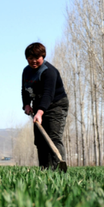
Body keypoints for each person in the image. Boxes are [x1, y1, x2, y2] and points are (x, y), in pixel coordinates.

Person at [21, 42, 69, 171]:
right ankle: (45, 170)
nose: (34, 61)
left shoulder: (49, 72)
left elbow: (48, 94)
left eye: (37, 58)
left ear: (43, 56)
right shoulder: (26, 71)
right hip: (38, 106)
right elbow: (25, 90)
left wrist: (40, 112)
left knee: (53, 138)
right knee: (40, 141)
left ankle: (59, 170)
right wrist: (26, 104)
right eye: (30, 58)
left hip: (56, 105)